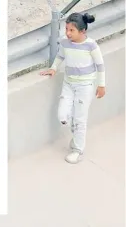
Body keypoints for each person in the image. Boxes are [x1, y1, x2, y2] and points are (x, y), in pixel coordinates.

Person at [40, 13, 106, 164]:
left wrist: (101, 85)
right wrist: (54, 68)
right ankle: (76, 137)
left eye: (71, 30)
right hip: (68, 84)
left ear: (83, 31)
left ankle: (77, 149)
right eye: (66, 29)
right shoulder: (65, 43)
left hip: (85, 86)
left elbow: (100, 66)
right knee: (63, 116)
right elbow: (60, 56)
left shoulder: (91, 45)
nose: (68, 33)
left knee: (80, 119)